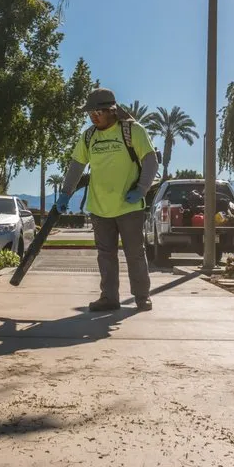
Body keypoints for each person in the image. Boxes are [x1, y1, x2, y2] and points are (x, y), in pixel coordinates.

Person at [57, 87, 159, 312]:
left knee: (135, 253)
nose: (94, 116)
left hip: (129, 205)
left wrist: (141, 189)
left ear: (112, 110)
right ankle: (109, 298)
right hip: (99, 207)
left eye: (98, 112)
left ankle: (142, 297)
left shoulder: (132, 131)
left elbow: (151, 161)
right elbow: (76, 166)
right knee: (105, 256)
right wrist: (66, 192)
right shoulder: (89, 136)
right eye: (90, 113)